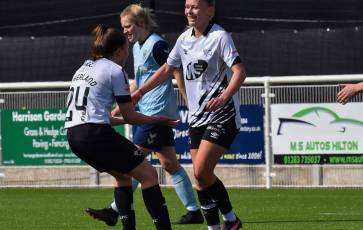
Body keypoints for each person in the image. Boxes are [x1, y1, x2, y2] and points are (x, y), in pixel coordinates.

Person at [130, 0, 246, 229]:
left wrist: (224, 97)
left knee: (202, 170)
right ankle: (217, 226)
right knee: (200, 179)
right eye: (186, 6)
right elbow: (166, 69)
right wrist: (141, 92)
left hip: (222, 113)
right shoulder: (184, 39)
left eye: (195, 6)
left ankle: (231, 219)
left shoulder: (220, 37)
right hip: (197, 117)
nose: (189, 11)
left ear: (210, 9)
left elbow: (239, 72)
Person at [86, 4, 203, 226]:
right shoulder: (138, 46)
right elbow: (140, 81)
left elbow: (174, 69)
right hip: (149, 112)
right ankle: (193, 210)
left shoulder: (156, 44)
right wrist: (122, 105)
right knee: (169, 164)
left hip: (156, 113)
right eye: (123, 27)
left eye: (128, 26)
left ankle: (113, 210)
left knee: (131, 162)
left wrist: (189, 101)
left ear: (140, 24)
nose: (125, 31)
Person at [65, 24, 176, 230]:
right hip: (95, 134)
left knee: (123, 176)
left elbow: (105, 118)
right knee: (149, 175)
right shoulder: (115, 70)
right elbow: (131, 116)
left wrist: (130, 118)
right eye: (126, 48)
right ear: (118, 51)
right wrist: (157, 120)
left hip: (74, 136)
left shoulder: (84, 67)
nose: (128, 53)